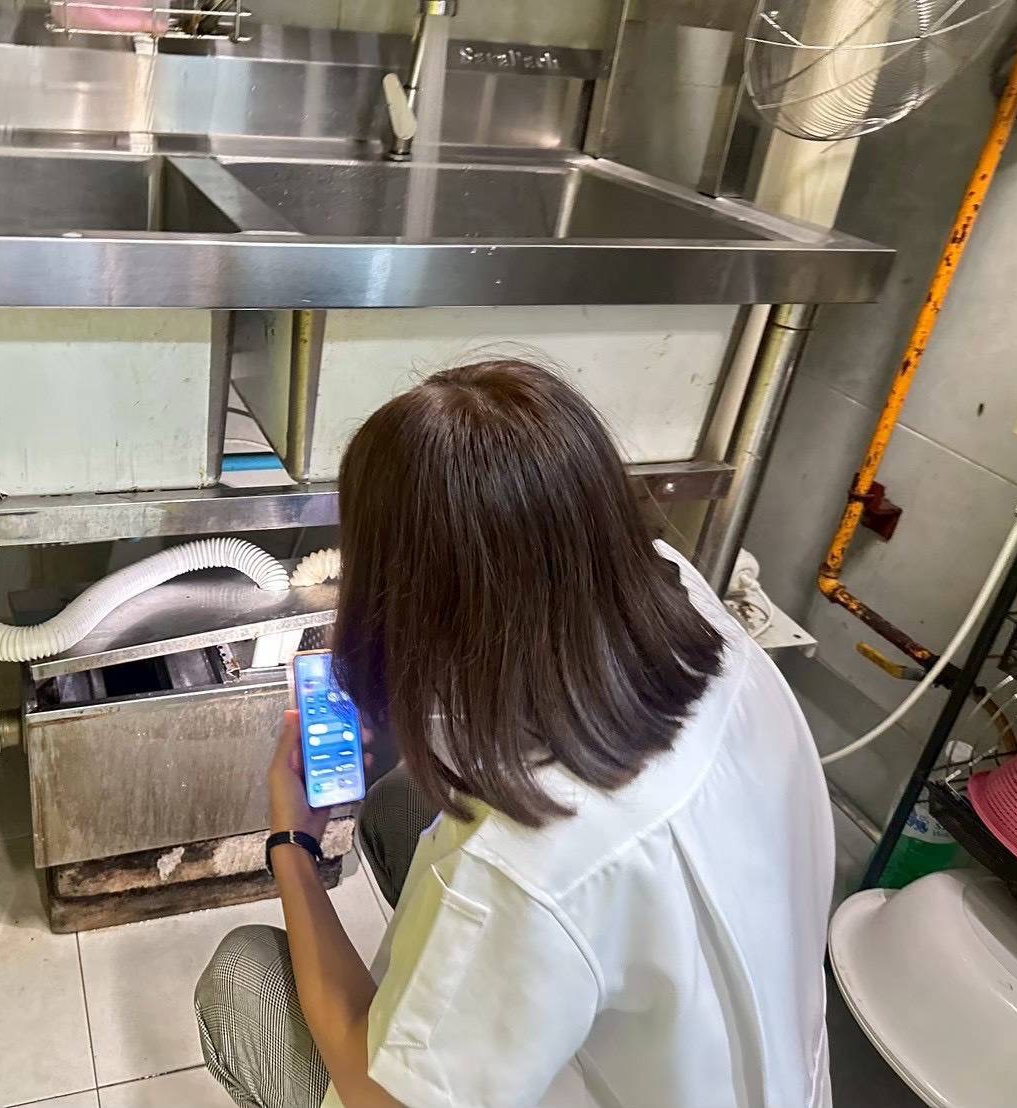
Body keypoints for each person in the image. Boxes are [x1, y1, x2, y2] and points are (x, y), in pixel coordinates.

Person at [195, 359, 835, 1108]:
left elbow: (377, 1097)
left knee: (245, 978)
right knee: (403, 808)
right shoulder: (674, 592)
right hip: (759, 1070)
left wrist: (293, 848)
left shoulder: (525, 865)